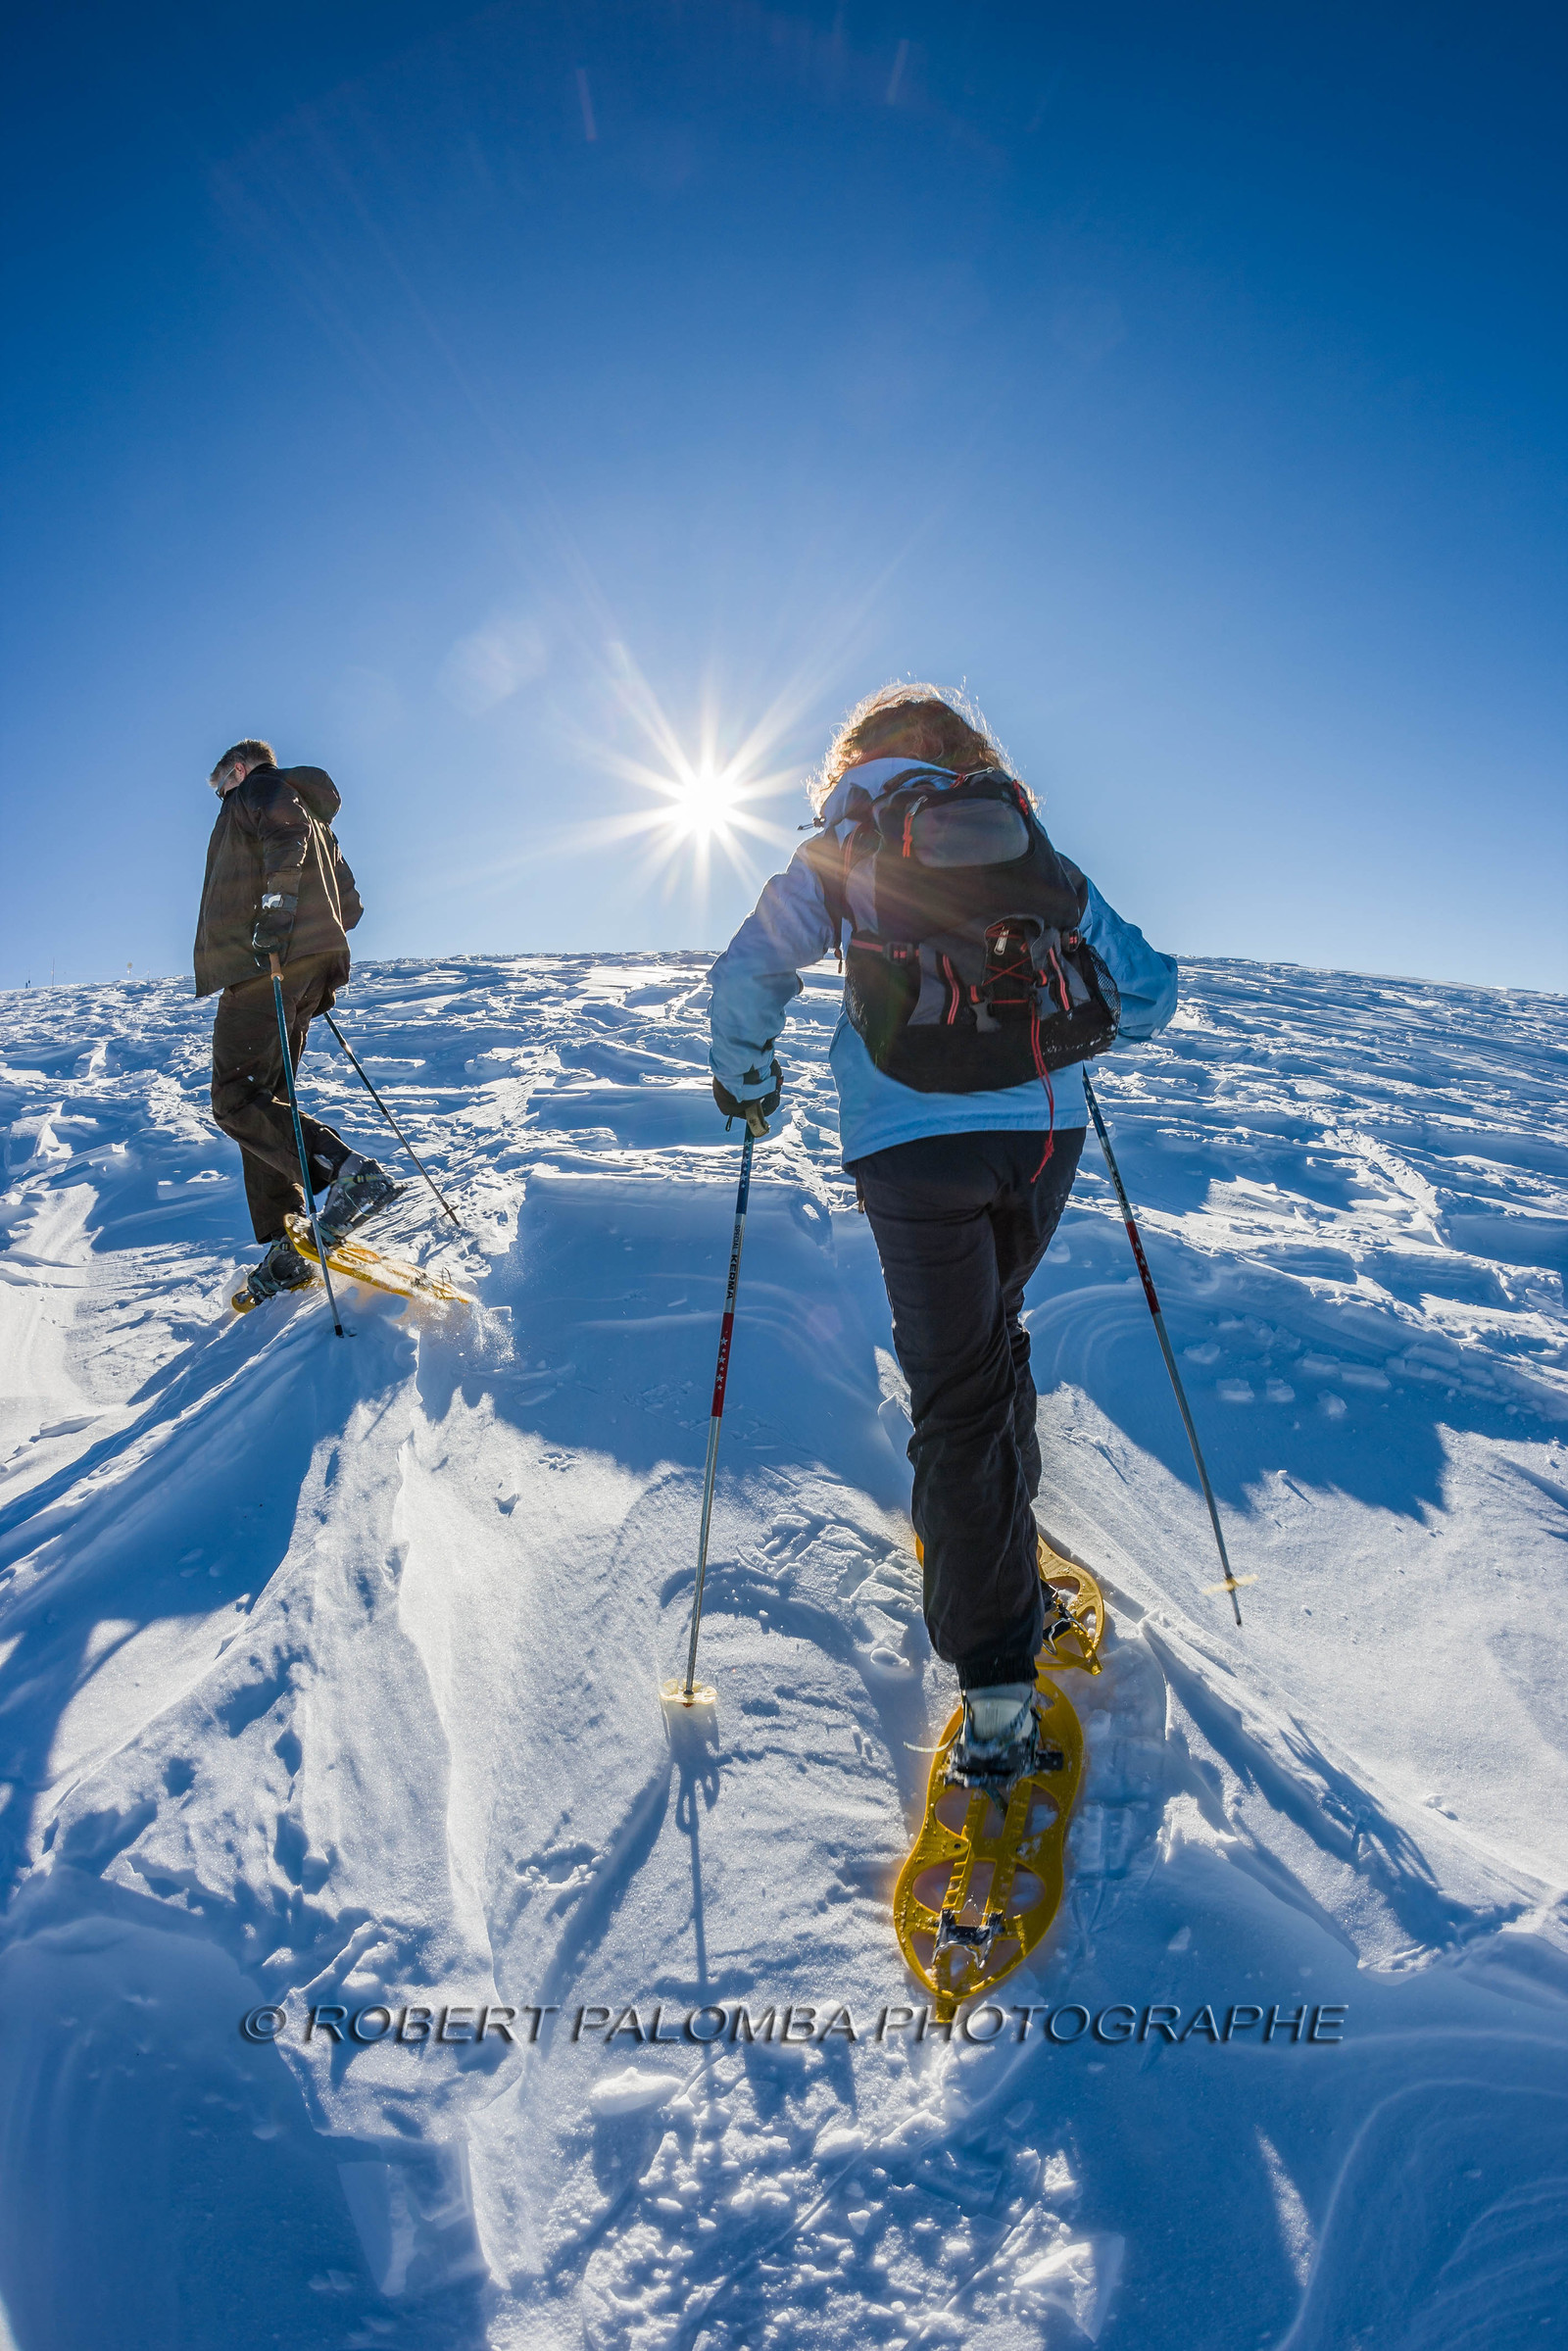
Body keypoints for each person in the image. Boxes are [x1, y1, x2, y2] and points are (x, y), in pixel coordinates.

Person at [708, 684, 1177, 1785]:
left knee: (953, 1390)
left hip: (911, 1144)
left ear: (852, 761)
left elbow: (748, 972)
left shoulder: (846, 839)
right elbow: (1150, 992)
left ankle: (997, 1693)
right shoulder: (1021, 833)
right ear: (967, 754)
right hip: (1040, 1135)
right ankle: (1002, 1551)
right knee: (990, 1337)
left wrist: (747, 1075)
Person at [194, 739, 397, 1307]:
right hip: (304, 965)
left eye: (220, 789)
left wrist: (277, 917)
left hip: (267, 964)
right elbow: (350, 906)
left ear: (236, 770)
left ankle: (348, 1173)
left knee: (235, 1098)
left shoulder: (258, 789)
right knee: (265, 1102)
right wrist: (308, 936)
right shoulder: (316, 820)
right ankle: (290, 1244)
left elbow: (286, 837)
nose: (221, 801)